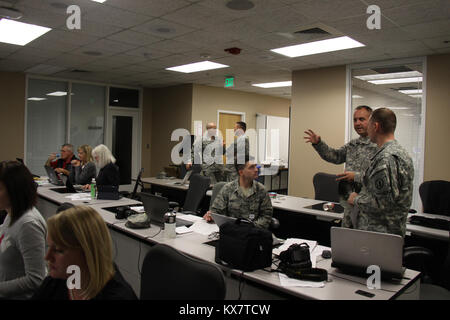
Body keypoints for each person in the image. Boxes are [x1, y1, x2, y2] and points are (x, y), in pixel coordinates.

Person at [31, 205, 137, 300]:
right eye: (49, 246)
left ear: (87, 252)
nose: (47, 257)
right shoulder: (58, 281)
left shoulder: (117, 296)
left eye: (59, 250)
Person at [304, 105, 378, 228]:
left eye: (361, 119)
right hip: (349, 201)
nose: (357, 123)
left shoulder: (378, 146)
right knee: (346, 239)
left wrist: (355, 176)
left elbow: (379, 178)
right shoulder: (353, 145)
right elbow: (335, 156)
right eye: (355, 120)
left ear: (371, 121)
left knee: (363, 242)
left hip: (369, 205)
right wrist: (318, 144)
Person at [347, 108, 414, 237]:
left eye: (369, 125)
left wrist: (356, 199)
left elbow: (383, 204)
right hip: (391, 232)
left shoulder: (385, 158)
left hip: (379, 233)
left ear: (375, 126)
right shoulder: (401, 152)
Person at [0, 161, 47, 299]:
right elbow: (7, 237)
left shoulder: (28, 224)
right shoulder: (12, 213)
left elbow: (36, 279)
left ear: (14, 190)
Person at [205, 156, 273, 229]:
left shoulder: (261, 190)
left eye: (256, 166)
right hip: (232, 232)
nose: (256, 170)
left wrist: (250, 228)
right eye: (251, 167)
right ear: (241, 172)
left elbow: (266, 216)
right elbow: (216, 211)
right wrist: (211, 215)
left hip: (253, 233)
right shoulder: (228, 189)